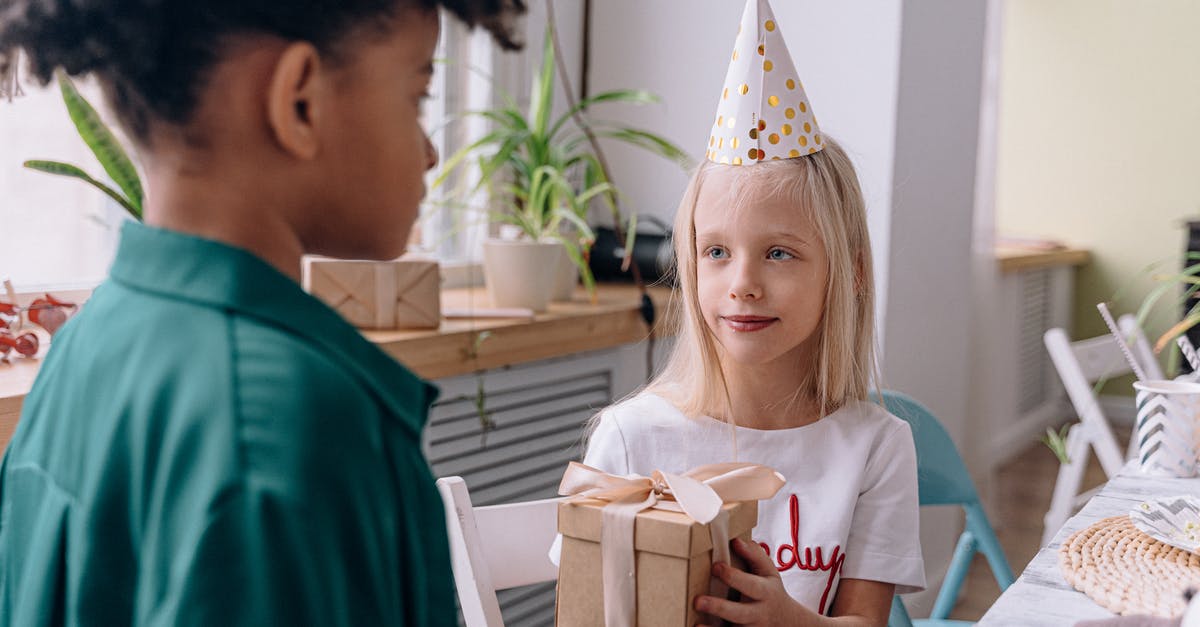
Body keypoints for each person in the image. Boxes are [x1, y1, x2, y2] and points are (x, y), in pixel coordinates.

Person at [0, 0, 523, 624]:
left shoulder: (89, 343)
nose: (431, 152)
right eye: (416, 97)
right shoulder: (281, 423)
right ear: (299, 100)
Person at [582, 1, 925, 624]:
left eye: (779, 253)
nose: (743, 284)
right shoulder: (632, 440)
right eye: (716, 251)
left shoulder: (876, 448)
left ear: (848, 272)